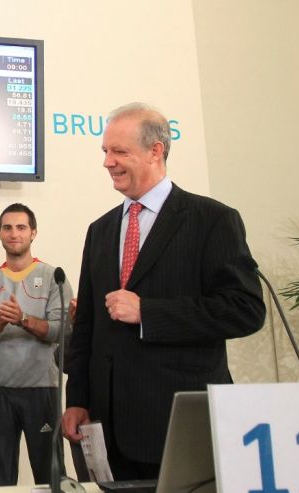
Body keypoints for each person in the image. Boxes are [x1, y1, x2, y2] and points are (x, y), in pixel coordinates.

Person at [62, 103, 266, 480]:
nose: (108, 162)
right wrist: (76, 399)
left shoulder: (212, 220)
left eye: (119, 151)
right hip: (109, 433)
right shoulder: (101, 230)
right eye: (105, 151)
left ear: (156, 151)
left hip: (177, 428)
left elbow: (245, 309)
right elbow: (87, 326)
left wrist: (150, 313)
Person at [0, 203, 73, 486]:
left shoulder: (55, 277)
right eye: (7, 227)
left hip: (42, 388)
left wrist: (23, 319)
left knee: (50, 473)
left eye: (21, 227)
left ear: (33, 233)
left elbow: (61, 331)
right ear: (0, 234)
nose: (13, 233)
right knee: (0, 476)